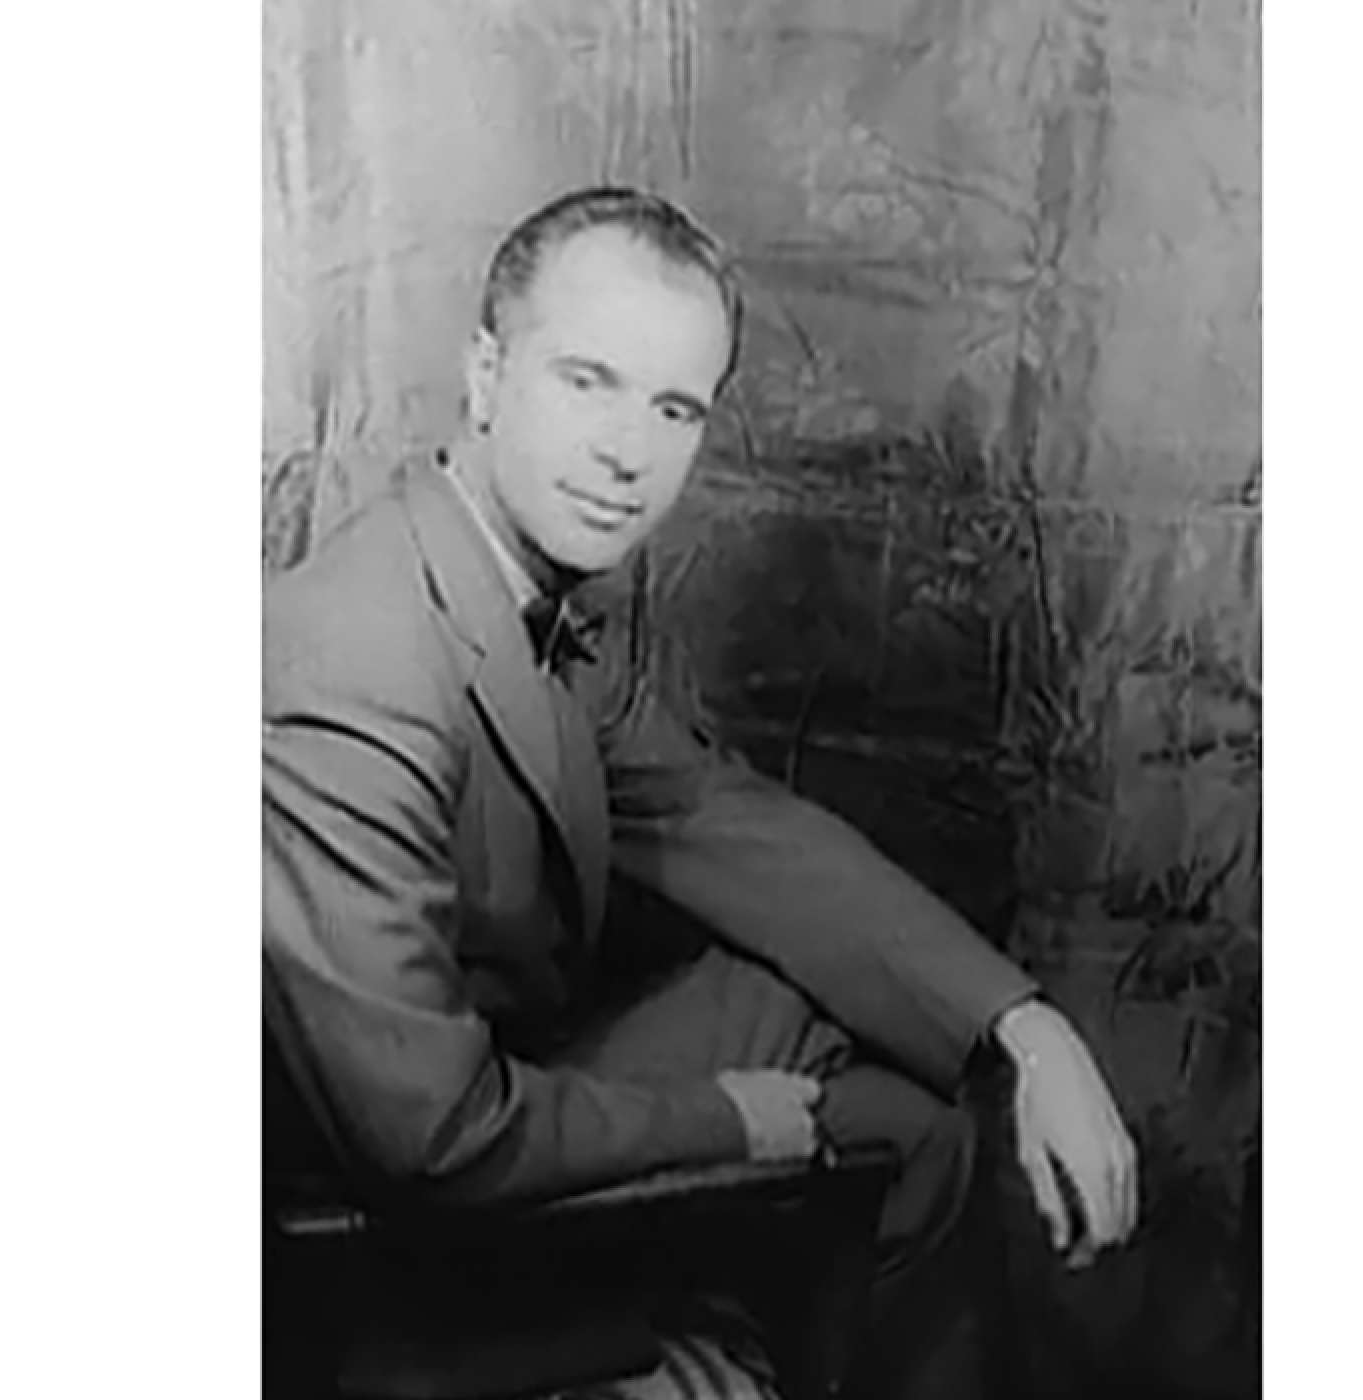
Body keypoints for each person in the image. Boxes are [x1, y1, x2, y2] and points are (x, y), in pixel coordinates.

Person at [262, 185, 1137, 1387]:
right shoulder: (353, 661)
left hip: (494, 1093)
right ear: (483, 373)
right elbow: (431, 1136)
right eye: (586, 380)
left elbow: (728, 820)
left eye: (674, 406)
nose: (629, 452)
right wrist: (731, 1116)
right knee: (831, 1124)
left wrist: (1027, 1027)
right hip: (365, 1231)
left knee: (922, 1123)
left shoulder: (527, 596)